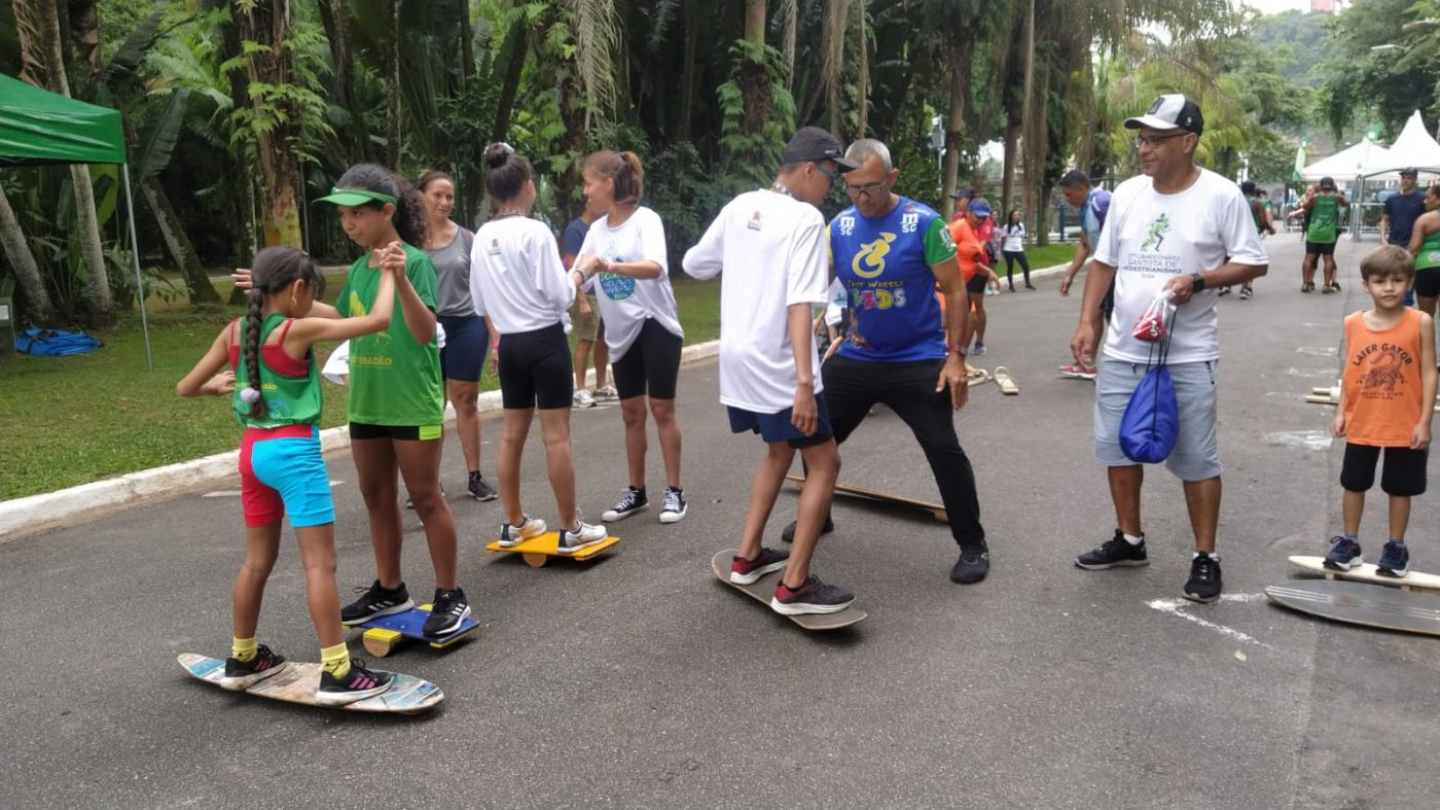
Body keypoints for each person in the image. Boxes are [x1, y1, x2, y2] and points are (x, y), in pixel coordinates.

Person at [1069, 94, 1268, 603]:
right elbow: (1104, 263)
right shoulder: (1128, 194)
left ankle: (1206, 556)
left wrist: (1198, 280)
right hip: (1123, 350)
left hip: (1187, 352)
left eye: (1156, 139)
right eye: (1142, 138)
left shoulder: (1222, 196)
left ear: (1188, 141)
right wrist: (1088, 320)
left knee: (1196, 457)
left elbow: (1252, 262)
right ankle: (1130, 539)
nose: (1144, 148)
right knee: (1117, 447)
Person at [178, 247, 395, 705]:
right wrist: (392, 272)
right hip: (294, 454)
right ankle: (337, 670)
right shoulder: (298, 331)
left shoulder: (235, 331)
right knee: (320, 564)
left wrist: (218, 385)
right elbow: (377, 321)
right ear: (298, 291)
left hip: (253, 455)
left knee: (256, 561)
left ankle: (243, 657)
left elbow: (186, 387)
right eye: (310, 291)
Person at [782, 138, 990, 584]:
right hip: (859, 353)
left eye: (871, 188)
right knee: (814, 431)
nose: (862, 198)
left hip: (918, 358)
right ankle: (819, 515)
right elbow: (814, 289)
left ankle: (972, 544)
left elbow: (955, 291)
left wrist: (955, 358)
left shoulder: (923, 223)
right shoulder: (839, 226)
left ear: (891, 179)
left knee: (942, 447)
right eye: (852, 188)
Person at [683, 126, 855, 614]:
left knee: (779, 451)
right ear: (807, 169)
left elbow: (695, 264)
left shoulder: (739, 206)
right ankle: (795, 585)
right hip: (781, 364)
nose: (832, 186)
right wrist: (805, 383)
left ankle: (748, 556)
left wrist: (746, 257)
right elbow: (801, 303)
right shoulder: (803, 218)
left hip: (737, 361)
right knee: (825, 463)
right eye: (829, 176)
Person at [318, 165, 469, 637]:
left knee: (425, 496)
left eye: (357, 214)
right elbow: (343, 318)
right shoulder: (361, 268)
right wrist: (282, 299)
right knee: (376, 496)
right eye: (343, 215)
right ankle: (390, 589)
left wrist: (401, 279)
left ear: (387, 211)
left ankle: (450, 595)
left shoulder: (417, 263)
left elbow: (427, 333)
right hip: (367, 401)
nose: (349, 224)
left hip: (411, 403)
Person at [468, 144, 609, 553]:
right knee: (556, 438)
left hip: (509, 344)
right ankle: (572, 527)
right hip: (544, 342)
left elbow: (479, 303)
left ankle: (514, 523)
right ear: (528, 186)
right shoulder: (535, 232)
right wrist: (583, 271)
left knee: (511, 437)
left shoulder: (482, 237)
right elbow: (558, 292)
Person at [574, 150, 688, 525]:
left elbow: (655, 268)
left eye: (589, 183)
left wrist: (607, 265)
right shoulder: (595, 230)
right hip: (620, 331)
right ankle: (636, 491)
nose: (585, 191)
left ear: (608, 184)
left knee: (661, 409)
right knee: (630, 413)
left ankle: (674, 491)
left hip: (655, 323)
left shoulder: (646, 221)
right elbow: (578, 274)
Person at [1326, 245, 1436, 577]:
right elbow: (1351, 372)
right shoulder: (1353, 323)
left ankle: (1396, 547)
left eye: (1397, 280)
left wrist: (1424, 421)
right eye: (1379, 281)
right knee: (1354, 482)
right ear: (1366, 285)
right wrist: (1342, 410)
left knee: (1399, 487)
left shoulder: (1421, 322)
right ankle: (1350, 542)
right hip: (1364, 419)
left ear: (1410, 283)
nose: (1388, 287)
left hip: (1405, 423)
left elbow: (1430, 370)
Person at [417, 169, 498, 502]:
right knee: (427, 405)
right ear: (421, 195)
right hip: (423, 329)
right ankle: (426, 482)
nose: (444, 202)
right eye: (437, 194)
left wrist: (496, 340)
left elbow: (485, 292)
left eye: (449, 196)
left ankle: (475, 476)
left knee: (466, 401)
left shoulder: (468, 238)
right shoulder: (408, 240)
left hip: (466, 325)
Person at [1057, 169, 1114, 380]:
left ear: (1081, 188)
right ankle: (1087, 363)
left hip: (1116, 271)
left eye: (1069, 194)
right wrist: (1069, 274)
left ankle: (1124, 368)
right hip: (1103, 271)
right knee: (1095, 314)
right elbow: (1085, 243)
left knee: (1114, 317)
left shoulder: (1102, 203)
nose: (1067, 199)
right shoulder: (1085, 208)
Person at [561, 194, 614, 408]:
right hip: (585, 293)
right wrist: (581, 299)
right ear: (589, 203)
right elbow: (574, 267)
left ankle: (601, 384)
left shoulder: (602, 229)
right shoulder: (576, 230)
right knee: (586, 339)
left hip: (602, 291)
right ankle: (580, 388)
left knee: (603, 339)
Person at [949, 198, 1002, 356]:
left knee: (971, 319)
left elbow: (970, 260)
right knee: (949, 322)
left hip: (961, 284)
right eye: (977, 216)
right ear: (968, 213)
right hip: (948, 285)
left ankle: (959, 358)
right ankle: (949, 359)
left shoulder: (973, 231)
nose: (980, 220)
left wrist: (989, 272)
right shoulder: (959, 227)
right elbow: (942, 253)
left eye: (984, 218)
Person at [1302, 176, 1348, 294]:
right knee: (1328, 258)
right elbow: (1346, 204)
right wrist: (1337, 193)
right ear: (1332, 185)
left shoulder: (1315, 197)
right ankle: (1326, 285)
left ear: (1321, 186)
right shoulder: (1336, 197)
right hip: (1329, 233)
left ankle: (1305, 283)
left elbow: (1305, 206)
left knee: (1309, 257)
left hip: (1314, 232)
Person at [1407, 183, 1440, 319]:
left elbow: (1414, 248)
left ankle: (1428, 340)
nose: (1424, 201)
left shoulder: (1424, 219)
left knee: (1426, 316)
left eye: (1428, 197)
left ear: (1438, 200)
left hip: (1427, 267)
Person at [1238, 180, 1276, 300]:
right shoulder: (1257, 203)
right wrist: (1270, 229)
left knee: (1232, 259)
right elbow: (1263, 221)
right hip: (1252, 235)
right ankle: (1246, 287)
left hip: (1235, 234)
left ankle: (1224, 285)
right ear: (1254, 190)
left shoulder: (1236, 201)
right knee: (1250, 261)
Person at [1381, 168, 1426, 253]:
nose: (1405, 181)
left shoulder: (1422, 199)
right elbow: (1384, 220)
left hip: (1413, 244)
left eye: (1409, 178)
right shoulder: (1392, 199)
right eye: (1403, 178)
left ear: (1415, 180)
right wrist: (1383, 239)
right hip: (1392, 243)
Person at [1000, 209, 1034, 292]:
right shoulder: (1006, 226)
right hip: (1008, 250)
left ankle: (1027, 283)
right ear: (1011, 216)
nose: (1017, 216)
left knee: (1025, 265)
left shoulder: (1021, 226)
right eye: (1015, 215)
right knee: (1010, 267)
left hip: (1018, 249)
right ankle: (1011, 285)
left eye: (1018, 215)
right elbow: (1003, 239)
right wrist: (1001, 250)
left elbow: (1021, 237)